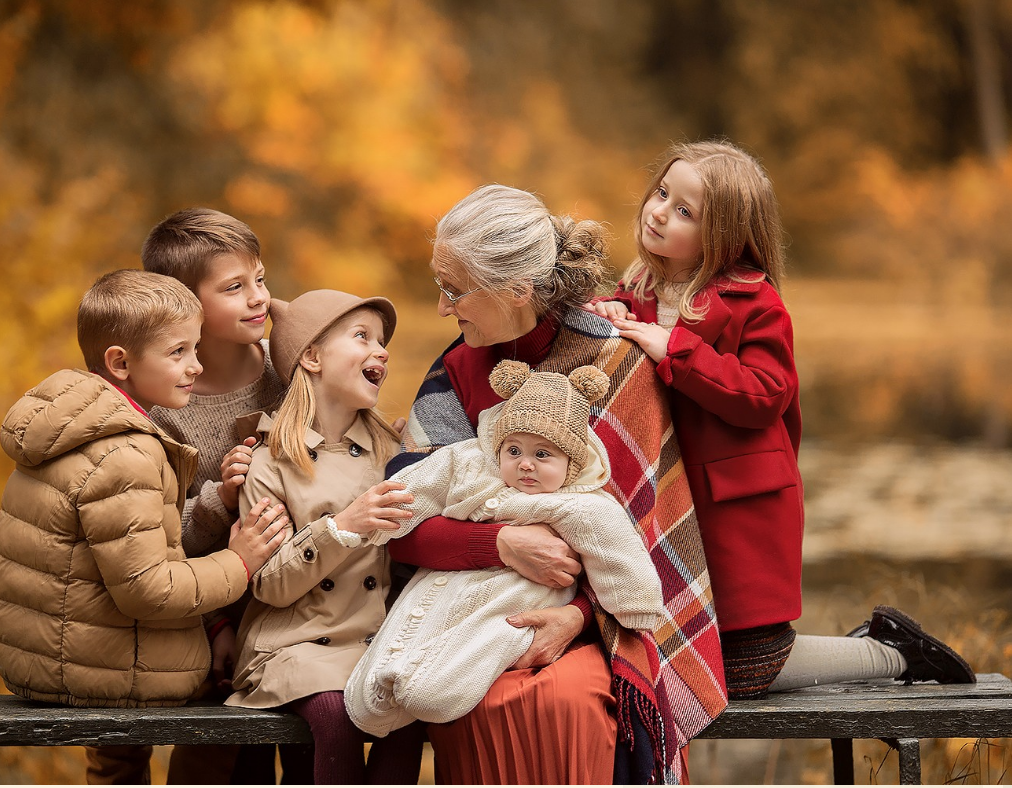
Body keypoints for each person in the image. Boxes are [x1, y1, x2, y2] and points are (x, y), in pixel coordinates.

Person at [587, 139, 975, 699]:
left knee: (746, 669)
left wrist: (674, 350)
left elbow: (765, 393)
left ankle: (890, 652)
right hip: (668, 498)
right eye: (663, 193)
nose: (659, 211)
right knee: (669, 647)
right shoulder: (640, 288)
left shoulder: (756, 302)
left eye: (684, 212)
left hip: (736, 505)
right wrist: (610, 313)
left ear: (725, 238)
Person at [389, 184, 727, 784]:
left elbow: (638, 539)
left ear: (517, 289)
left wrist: (576, 615)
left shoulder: (615, 365)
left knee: (569, 703)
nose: (442, 307)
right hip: (467, 613)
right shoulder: (456, 371)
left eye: (454, 289)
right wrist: (498, 545)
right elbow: (399, 530)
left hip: (598, 619)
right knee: (473, 699)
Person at [0, 270, 288, 784]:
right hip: (96, 667)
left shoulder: (70, 421)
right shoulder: (127, 454)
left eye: (195, 349)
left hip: (42, 656)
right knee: (250, 682)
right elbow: (150, 589)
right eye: (177, 353)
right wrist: (240, 560)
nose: (195, 366)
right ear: (120, 362)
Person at [346, 360, 665, 738]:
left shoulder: (584, 506)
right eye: (514, 450)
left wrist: (637, 608)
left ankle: (451, 674)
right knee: (370, 699)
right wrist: (385, 517)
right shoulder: (471, 467)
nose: (525, 464)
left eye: (543, 455)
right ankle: (384, 687)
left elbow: (620, 555)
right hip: (445, 583)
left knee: (438, 685)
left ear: (571, 464)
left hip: (515, 598)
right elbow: (423, 483)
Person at [226, 289, 425, 785]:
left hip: (374, 643)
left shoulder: (391, 452)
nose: (381, 351)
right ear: (311, 357)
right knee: (333, 713)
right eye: (362, 337)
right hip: (294, 644)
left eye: (382, 342)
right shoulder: (270, 462)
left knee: (406, 718)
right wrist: (343, 528)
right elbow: (268, 584)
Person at [140, 207, 299, 785]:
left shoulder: (291, 368)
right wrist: (219, 500)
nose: (258, 297)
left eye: (260, 278)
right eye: (234, 287)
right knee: (222, 760)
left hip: (305, 601)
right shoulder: (166, 407)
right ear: (185, 305)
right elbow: (160, 539)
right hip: (212, 616)